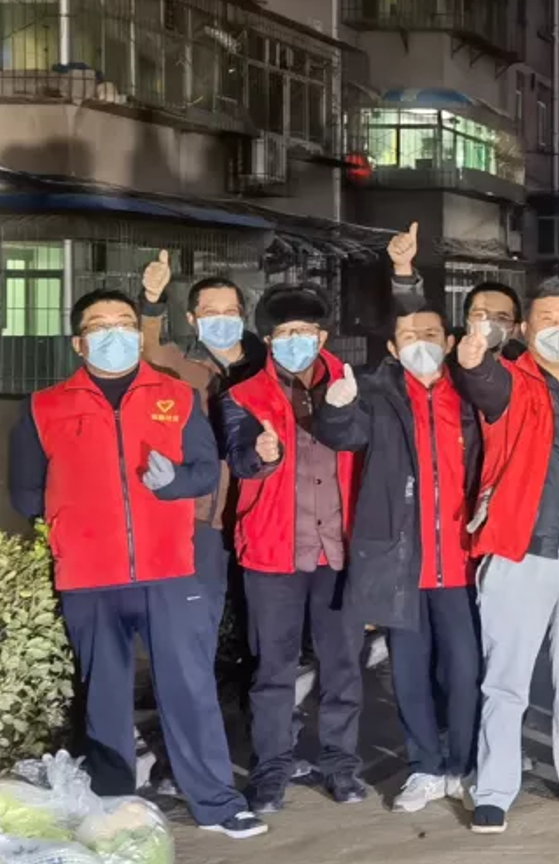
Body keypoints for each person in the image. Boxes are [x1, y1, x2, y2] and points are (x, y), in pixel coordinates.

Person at [9, 288, 266, 838]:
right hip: (88, 576)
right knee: (104, 697)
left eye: (125, 323)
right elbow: (26, 492)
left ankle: (217, 803)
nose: (115, 333)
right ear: (78, 343)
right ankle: (112, 812)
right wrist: (77, 516)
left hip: (168, 570)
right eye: (99, 326)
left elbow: (205, 471)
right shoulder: (43, 407)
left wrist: (174, 484)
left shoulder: (176, 395)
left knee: (189, 688)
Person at [450, 279, 559, 834]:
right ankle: (495, 788)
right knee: (506, 681)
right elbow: (482, 384)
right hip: (520, 553)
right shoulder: (510, 379)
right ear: (525, 329)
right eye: (546, 319)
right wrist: (474, 362)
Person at [310, 303, 482, 814]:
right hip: (402, 560)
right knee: (408, 671)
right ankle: (424, 767)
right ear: (392, 348)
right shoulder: (378, 396)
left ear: (449, 342)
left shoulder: (468, 394)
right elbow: (343, 434)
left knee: (465, 670)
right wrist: (336, 407)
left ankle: (464, 766)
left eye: (430, 333)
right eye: (408, 336)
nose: (420, 343)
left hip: (460, 560)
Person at [220, 285, 366, 814]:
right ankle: (271, 770)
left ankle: (341, 765)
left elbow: (359, 440)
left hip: (338, 551)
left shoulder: (350, 387)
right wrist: (259, 453)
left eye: (305, 331)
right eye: (285, 333)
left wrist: (343, 410)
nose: (295, 340)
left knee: (343, 665)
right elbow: (239, 456)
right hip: (272, 551)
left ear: (322, 337)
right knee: (273, 670)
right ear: (268, 340)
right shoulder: (242, 395)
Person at [138, 251, 266, 641]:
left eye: (231, 312)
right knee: (201, 613)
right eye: (211, 313)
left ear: (243, 316)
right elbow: (146, 351)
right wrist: (151, 302)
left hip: (261, 510)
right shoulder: (180, 365)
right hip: (205, 515)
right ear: (193, 319)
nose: (222, 320)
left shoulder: (267, 367)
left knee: (260, 617)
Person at [388, 223, 527, 364]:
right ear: (466, 321)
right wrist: (403, 268)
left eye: (502, 317)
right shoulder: (440, 359)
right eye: (479, 314)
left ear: (515, 330)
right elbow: (412, 318)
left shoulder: (527, 369)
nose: (489, 323)